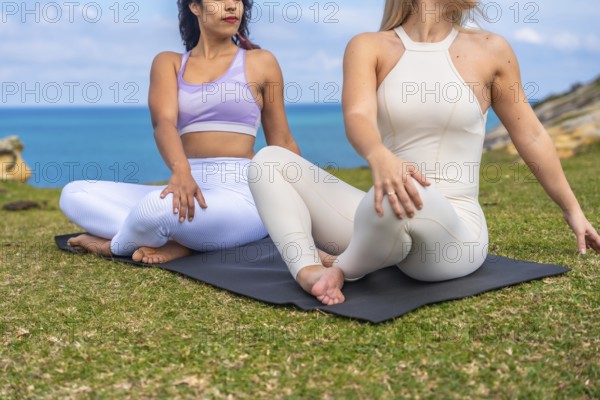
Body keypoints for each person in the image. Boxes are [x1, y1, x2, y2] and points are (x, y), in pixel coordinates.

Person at [249, 0, 600, 305]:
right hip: (382, 211)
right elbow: (357, 115)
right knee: (267, 162)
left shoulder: (492, 50)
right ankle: (308, 270)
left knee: (405, 188)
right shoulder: (368, 46)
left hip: (452, 236)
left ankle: (342, 268)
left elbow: (533, 136)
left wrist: (572, 209)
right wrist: (379, 155)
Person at [60, 0, 299, 264]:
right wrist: (181, 170)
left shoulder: (261, 62)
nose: (232, 6)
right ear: (194, 7)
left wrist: (307, 203)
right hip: (186, 186)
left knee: (155, 210)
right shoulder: (170, 63)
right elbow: (163, 123)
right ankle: (179, 240)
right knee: (74, 193)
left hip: (243, 195)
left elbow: (283, 141)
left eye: (238, 0)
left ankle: (114, 246)